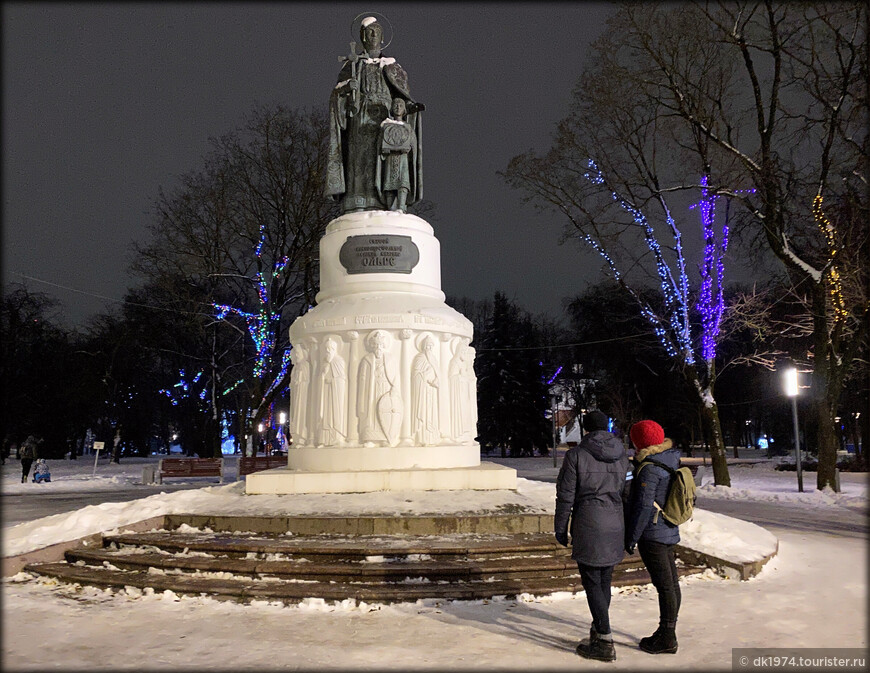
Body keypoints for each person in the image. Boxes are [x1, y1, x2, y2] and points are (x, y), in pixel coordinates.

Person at [555, 410, 631, 662]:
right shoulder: (622, 456)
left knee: (591, 581)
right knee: (604, 579)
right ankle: (599, 631)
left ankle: (605, 639)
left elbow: (566, 495)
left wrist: (560, 526)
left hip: (589, 523)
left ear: (586, 429)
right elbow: (628, 493)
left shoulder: (576, 456)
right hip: (614, 523)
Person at [326, 16, 423, 213]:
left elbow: (403, 97)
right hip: (360, 120)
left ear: (382, 36)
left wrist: (406, 110)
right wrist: (346, 89)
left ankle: (388, 201)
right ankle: (358, 200)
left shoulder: (392, 67)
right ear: (362, 36)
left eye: (376, 31)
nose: (372, 35)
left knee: (385, 161)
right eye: (368, 31)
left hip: (384, 121)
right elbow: (336, 96)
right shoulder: (353, 66)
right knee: (360, 159)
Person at [624, 419, 682, 655]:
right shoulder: (669, 459)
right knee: (671, 584)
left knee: (665, 586)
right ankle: (666, 630)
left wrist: (631, 538)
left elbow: (644, 506)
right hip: (668, 527)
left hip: (653, 533)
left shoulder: (649, 468)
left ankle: (667, 637)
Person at [377, 98, 417, 211]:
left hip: (403, 160)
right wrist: (384, 150)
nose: (398, 107)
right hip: (390, 159)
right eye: (395, 105)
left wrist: (409, 149)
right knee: (389, 185)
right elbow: (380, 144)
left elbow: (413, 145)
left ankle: (400, 207)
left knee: (402, 184)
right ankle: (390, 209)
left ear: (404, 109)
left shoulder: (407, 127)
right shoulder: (386, 126)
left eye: (400, 105)